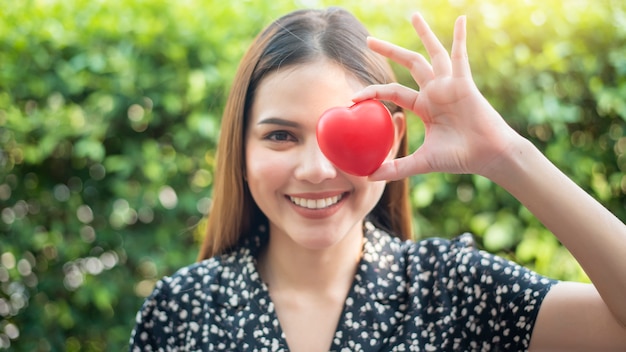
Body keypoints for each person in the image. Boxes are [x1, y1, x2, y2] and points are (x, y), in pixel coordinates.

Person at [129, 7, 626, 351]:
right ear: (240, 148)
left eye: (342, 138)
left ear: (392, 138)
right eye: (280, 136)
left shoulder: (453, 291)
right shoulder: (180, 312)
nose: (317, 170)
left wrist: (504, 153)